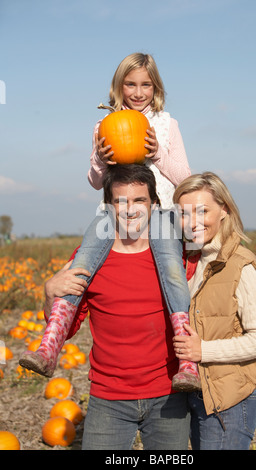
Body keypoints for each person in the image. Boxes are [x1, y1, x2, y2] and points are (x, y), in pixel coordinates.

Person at [19, 53, 200, 392]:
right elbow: (93, 180)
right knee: (80, 265)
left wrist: (158, 152)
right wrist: (101, 161)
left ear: (155, 87)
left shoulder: (166, 124)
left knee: (172, 273)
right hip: (112, 214)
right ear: (119, 87)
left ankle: (187, 362)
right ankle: (49, 346)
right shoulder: (103, 125)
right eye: (130, 84)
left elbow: (185, 177)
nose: (138, 91)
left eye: (146, 84)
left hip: (158, 214)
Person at [43, 164, 191, 450]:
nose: (130, 209)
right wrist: (49, 294)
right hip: (108, 398)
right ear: (108, 207)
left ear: (155, 204)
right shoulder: (88, 259)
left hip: (169, 394)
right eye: (120, 201)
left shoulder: (178, 257)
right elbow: (69, 326)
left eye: (140, 200)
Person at [172, 172, 256, 450]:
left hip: (228, 402)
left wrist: (203, 351)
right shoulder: (187, 261)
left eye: (202, 211)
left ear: (224, 210)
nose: (192, 222)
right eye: (184, 213)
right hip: (195, 395)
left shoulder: (240, 264)